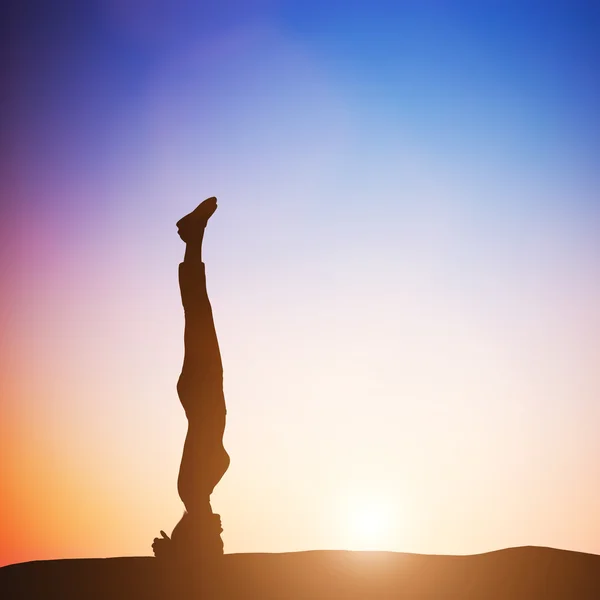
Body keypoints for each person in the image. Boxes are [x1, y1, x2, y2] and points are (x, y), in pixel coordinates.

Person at [153, 197, 230, 567]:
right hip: (203, 391)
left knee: (198, 311)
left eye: (214, 539)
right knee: (200, 312)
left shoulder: (193, 490)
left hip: (201, 392)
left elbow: (207, 438)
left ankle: (193, 237)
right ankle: (193, 238)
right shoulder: (198, 491)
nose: (221, 531)